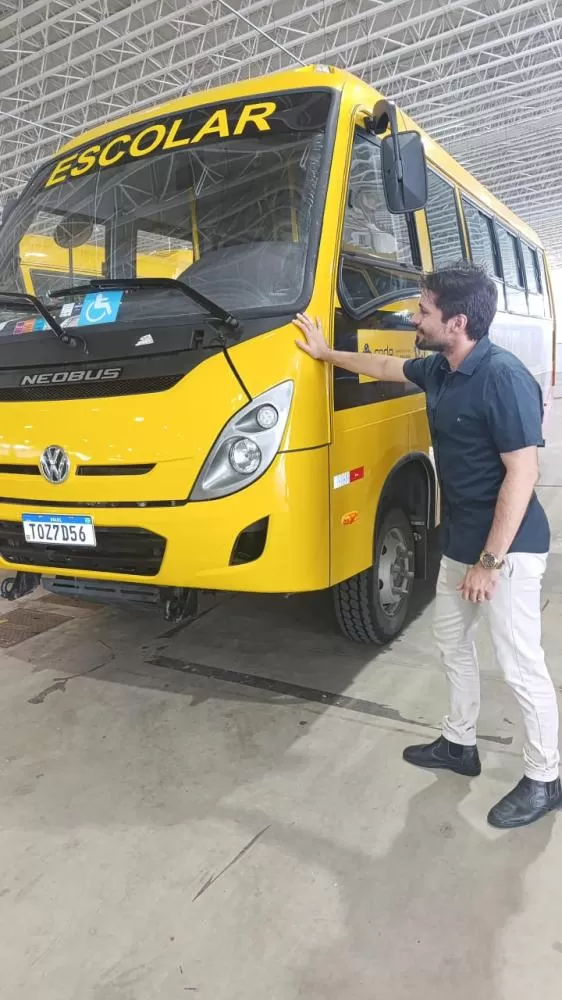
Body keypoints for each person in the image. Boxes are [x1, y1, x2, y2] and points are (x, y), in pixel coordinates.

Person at [294, 261, 561, 829]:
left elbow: (522, 475)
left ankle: (545, 778)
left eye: (424, 311)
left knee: (519, 666)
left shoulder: (503, 377)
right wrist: (325, 354)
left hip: (508, 549)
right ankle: (459, 743)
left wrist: (490, 563)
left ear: (457, 321)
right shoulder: (442, 368)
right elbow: (387, 365)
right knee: (451, 643)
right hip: (461, 539)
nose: (415, 318)